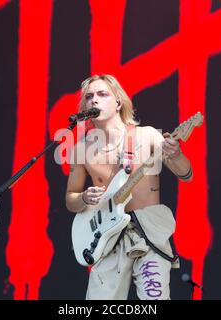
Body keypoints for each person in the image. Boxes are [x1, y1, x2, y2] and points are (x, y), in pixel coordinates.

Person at [65, 74, 193, 300]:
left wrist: (177, 153)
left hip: (149, 233)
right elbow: (70, 200)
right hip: (107, 237)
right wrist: (84, 197)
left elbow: (186, 175)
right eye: (89, 97)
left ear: (118, 102)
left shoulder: (147, 135)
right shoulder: (81, 149)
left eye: (102, 94)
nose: (94, 100)